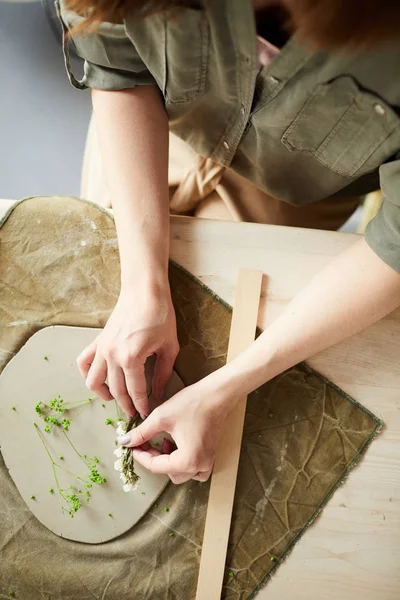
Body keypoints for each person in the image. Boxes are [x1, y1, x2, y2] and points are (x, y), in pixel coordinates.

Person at [58, 0, 400, 484]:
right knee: (105, 325)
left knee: (215, 365)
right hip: (156, 124)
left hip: (295, 190)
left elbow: (396, 243)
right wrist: (142, 287)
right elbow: (117, 64)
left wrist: (225, 389)